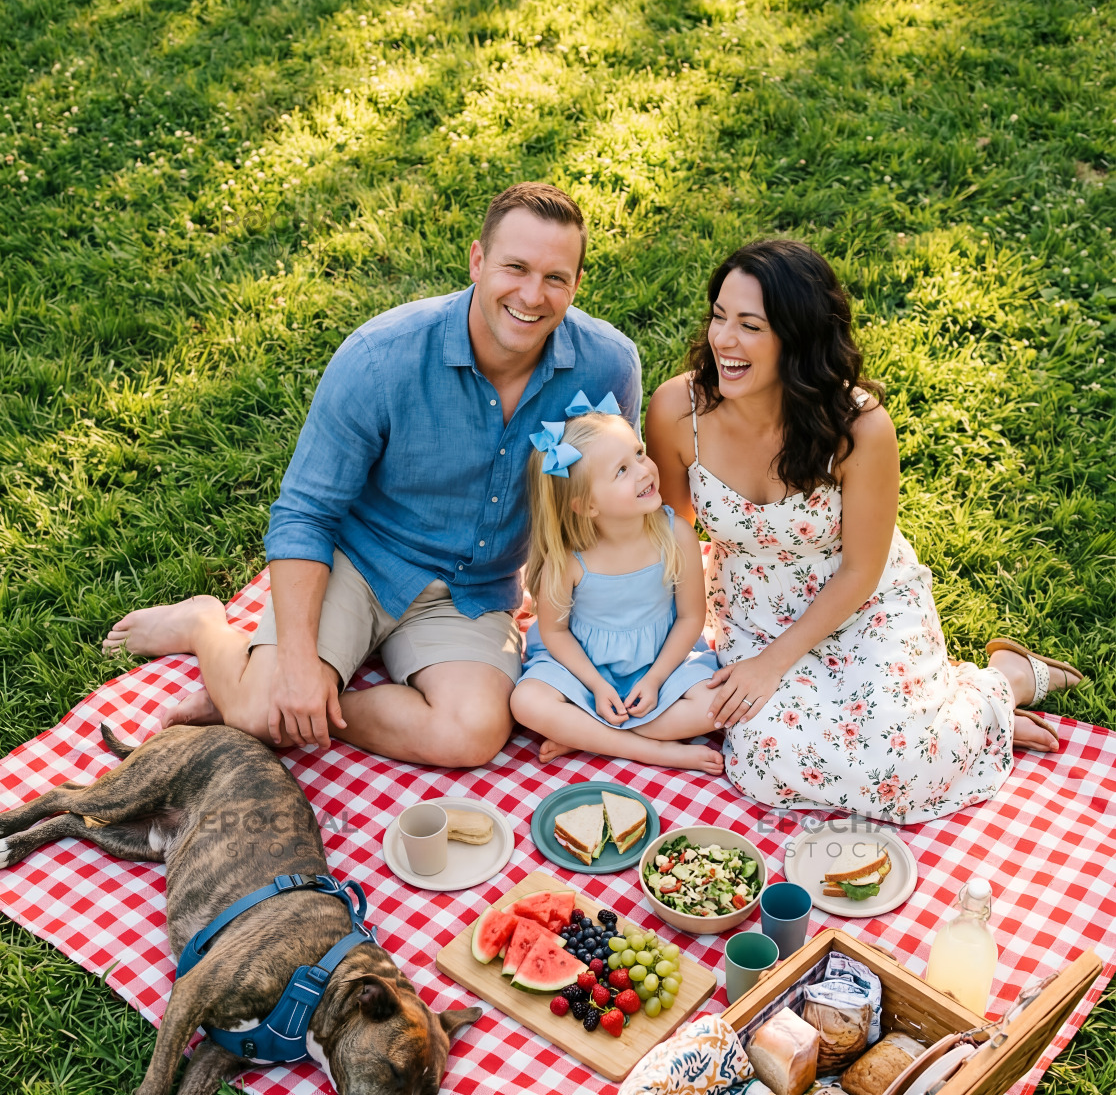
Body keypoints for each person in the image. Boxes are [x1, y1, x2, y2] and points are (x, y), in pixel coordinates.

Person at [103, 185, 641, 768]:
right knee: (262, 712)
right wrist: (299, 664)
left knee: (471, 734)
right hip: (359, 563)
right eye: (515, 267)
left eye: (555, 278)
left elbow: (603, 513)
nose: (532, 295)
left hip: (474, 589)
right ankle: (209, 628)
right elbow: (303, 513)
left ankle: (291, 703)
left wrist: (587, 678)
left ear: (577, 284)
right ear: (477, 261)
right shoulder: (380, 358)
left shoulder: (608, 365)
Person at [645, 239, 1084, 822]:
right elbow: (674, 532)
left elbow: (861, 569)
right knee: (766, 755)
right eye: (720, 316)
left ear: (798, 340)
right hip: (753, 602)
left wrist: (772, 663)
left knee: (901, 765)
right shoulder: (678, 409)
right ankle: (964, 698)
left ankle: (999, 686)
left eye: (750, 325)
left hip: (859, 599)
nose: (724, 340)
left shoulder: (860, 429)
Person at [509, 398, 722, 774]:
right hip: (584, 667)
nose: (644, 470)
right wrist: (596, 686)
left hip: (660, 660)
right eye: (622, 470)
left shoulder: (676, 534)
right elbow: (554, 632)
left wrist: (656, 679)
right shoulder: (569, 558)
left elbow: (692, 619)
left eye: (638, 453)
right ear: (586, 505)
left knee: (716, 704)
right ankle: (653, 749)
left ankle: (586, 734)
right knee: (526, 701)